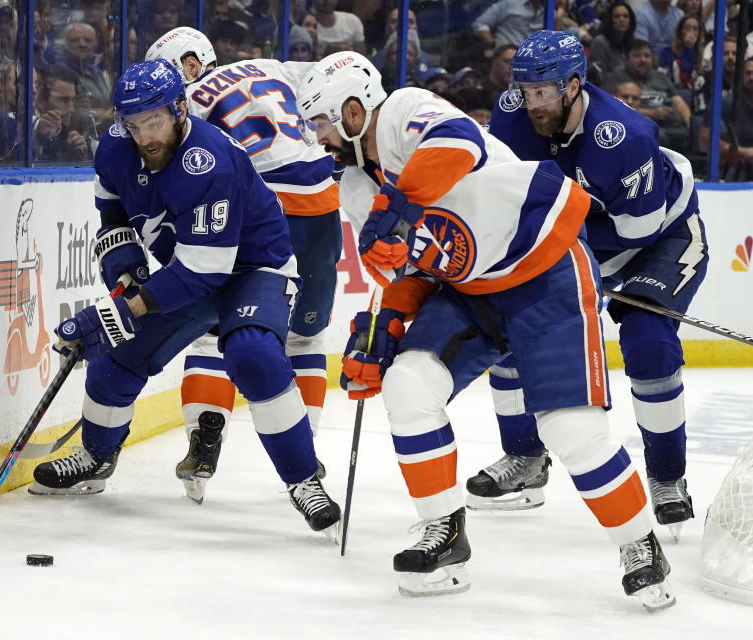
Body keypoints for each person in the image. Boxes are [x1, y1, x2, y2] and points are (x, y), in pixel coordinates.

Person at [296, 51, 675, 609]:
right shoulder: (353, 186)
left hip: (543, 268)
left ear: (353, 111)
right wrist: (389, 322)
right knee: (407, 383)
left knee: (571, 429)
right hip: (468, 291)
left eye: (323, 123)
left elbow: (459, 143)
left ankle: (640, 544)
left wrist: (397, 208)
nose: (318, 138)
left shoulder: (402, 111)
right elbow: (412, 268)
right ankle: (445, 536)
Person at [28, 59, 342, 540]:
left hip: (253, 269)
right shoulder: (115, 148)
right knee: (118, 353)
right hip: (189, 269)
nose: (143, 136)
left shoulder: (209, 158)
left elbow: (205, 272)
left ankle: (304, 479)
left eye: (153, 121)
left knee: (253, 354)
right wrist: (125, 272)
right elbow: (112, 213)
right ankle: (96, 457)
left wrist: (119, 310)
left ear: (179, 109)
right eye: (132, 124)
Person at [471, 31, 705, 545]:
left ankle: (667, 480)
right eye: (526, 91)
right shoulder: (512, 117)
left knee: (647, 338)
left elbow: (637, 233)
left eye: (544, 93)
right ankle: (526, 458)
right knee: (509, 325)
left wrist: (579, 274)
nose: (532, 104)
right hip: (583, 239)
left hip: (661, 236)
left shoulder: (624, 135)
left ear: (574, 85)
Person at [145, 27, 342, 502]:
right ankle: (305, 455)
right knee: (306, 336)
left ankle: (204, 435)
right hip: (322, 207)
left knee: (215, 325)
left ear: (191, 65)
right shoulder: (275, 68)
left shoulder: (182, 104)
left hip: (261, 214)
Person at [700, 56, 753, 182]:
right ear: (740, 76)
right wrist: (751, 153)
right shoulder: (722, 105)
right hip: (731, 173)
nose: (751, 78)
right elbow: (706, 141)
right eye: (747, 73)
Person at [605, 39, 691, 152]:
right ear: (626, 59)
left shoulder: (661, 77)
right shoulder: (617, 77)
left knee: (694, 132)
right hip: (641, 127)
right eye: (636, 56)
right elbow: (613, 109)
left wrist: (691, 125)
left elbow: (678, 101)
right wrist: (652, 113)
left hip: (671, 125)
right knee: (660, 136)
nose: (643, 60)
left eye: (647, 56)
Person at [589, 2, 637, 80]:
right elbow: (599, 77)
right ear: (610, 20)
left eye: (625, 16)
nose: (622, 20)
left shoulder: (633, 41)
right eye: (616, 16)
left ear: (630, 21)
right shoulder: (600, 42)